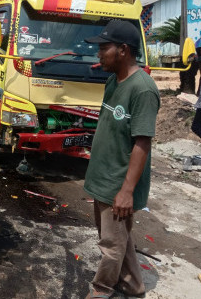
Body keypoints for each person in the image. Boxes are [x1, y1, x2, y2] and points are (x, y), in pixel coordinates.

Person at [82, 20, 160, 299]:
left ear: (124, 50)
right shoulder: (114, 80)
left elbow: (142, 142)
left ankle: (102, 290)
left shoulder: (143, 90)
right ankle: (133, 286)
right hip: (103, 178)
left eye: (104, 48)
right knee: (117, 238)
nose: (98, 54)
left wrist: (126, 191)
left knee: (111, 245)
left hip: (118, 183)